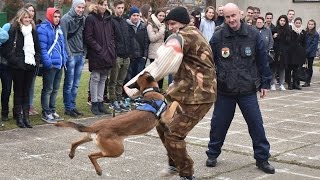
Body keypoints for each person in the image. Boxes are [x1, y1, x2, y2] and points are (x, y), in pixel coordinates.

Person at [124, 6, 217, 180]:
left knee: (174, 135)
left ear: (183, 22)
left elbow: (162, 63)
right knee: (161, 124)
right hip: (183, 90)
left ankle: (186, 174)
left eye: (173, 23)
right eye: (168, 24)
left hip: (199, 95)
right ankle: (174, 164)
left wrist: (135, 86)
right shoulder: (185, 34)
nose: (170, 27)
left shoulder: (187, 35)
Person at [206, 3, 275, 174]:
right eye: (227, 17)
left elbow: (262, 60)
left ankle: (262, 159)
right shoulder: (218, 36)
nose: (231, 20)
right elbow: (208, 61)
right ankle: (213, 154)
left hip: (247, 89)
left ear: (240, 14)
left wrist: (265, 83)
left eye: (233, 16)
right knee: (218, 125)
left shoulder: (253, 34)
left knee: (256, 124)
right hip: (225, 90)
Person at [1, 9, 41, 128]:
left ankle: (26, 117)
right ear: (20, 18)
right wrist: (18, 63)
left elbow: (38, 49)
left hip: (31, 65)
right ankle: (18, 117)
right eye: (25, 18)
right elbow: (7, 51)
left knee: (27, 92)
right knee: (18, 92)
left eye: (29, 17)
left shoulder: (33, 31)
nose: (28, 20)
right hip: (18, 67)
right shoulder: (14, 30)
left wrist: (36, 61)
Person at [84, 0, 115, 115]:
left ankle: (100, 102)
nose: (104, 6)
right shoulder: (91, 18)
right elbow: (88, 37)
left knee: (103, 78)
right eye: (102, 4)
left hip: (108, 53)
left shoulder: (108, 18)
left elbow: (111, 35)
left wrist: (110, 48)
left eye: (106, 4)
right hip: (96, 53)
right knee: (96, 77)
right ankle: (94, 103)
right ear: (97, 5)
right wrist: (99, 49)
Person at [37, 7, 67, 123]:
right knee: (48, 89)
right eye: (55, 16)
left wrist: (64, 58)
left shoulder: (58, 29)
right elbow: (43, 48)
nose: (57, 19)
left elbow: (62, 45)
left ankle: (52, 110)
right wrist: (48, 62)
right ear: (50, 16)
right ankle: (46, 112)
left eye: (59, 17)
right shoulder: (43, 29)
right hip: (50, 65)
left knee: (55, 89)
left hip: (59, 64)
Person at [60, 0, 86, 117]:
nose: (80, 9)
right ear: (74, 6)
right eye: (78, 7)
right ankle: (68, 107)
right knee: (69, 83)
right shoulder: (65, 19)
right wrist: (69, 54)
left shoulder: (83, 19)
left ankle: (73, 105)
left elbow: (84, 36)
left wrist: (84, 52)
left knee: (76, 84)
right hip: (71, 55)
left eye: (82, 7)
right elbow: (64, 38)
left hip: (81, 54)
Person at [108, 0, 131, 113]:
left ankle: (119, 98)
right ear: (114, 8)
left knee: (121, 80)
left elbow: (127, 38)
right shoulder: (111, 21)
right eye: (119, 8)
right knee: (113, 79)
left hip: (126, 55)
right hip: (116, 55)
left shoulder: (124, 22)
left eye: (122, 8)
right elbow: (111, 39)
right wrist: (114, 53)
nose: (121, 10)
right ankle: (113, 100)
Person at [125, 6, 149, 84]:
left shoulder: (143, 26)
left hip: (140, 56)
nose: (136, 17)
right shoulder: (126, 26)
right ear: (130, 16)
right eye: (134, 15)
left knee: (139, 76)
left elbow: (146, 41)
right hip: (130, 56)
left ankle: (137, 93)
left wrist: (145, 55)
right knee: (128, 77)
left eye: (137, 15)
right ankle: (126, 94)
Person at [24, 3, 39, 116]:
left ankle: (30, 105)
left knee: (31, 85)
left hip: (33, 60)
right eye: (29, 10)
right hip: (23, 61)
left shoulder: (35, 26)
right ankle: (23, 107)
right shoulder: (21, 26)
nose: (31, 13)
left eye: (33, 11)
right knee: (23, 86)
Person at [147, 8, 166, 89]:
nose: (161, 17)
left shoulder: (163, 25)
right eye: (160, 15)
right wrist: (161, 31)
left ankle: (160, 90)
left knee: (161, 74)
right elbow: (152, 38)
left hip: (162, 52)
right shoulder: (150, 25)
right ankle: (153, 89)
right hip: (154, 53)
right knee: (154, 74)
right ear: (156, 15)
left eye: (163, 16)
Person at [271, 15, 291, 91]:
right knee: (274, 68)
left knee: (282, 68)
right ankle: (272, 83)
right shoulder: (275, 29)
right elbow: (271, 39)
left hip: (283, 52)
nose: (282, 22)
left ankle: (281, 84)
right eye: (281, 20)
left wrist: (280, 37)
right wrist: (274, 36)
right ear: (279, 21)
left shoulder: (288, 30)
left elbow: (288, 41)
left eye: (284, 21)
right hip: (276, 51)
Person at [286, 17, 306, 90]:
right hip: (291, 53)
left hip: (299, 53)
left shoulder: (303, 32)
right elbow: (289, 42)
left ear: (301, 24)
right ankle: (289, 83)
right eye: (296, 23)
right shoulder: (291, 31)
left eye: (299, 23)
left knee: (296, 69)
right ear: (294, 23)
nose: (298, 24)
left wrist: (303, 52)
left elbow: (304, 43)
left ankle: (295, 83)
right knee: (289, 69)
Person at [0, 23, 11, 127]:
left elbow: (4, 36)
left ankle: (5, 113)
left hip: (4, 64)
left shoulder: (5, 28)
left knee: (7, 89)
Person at [303, 19, 319, 87]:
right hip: (304, 52)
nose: (310, 26)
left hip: (310, 54)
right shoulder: (305, 32)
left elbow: (313, 45)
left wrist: (306, 52)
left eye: (312, 24)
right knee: (303, 67)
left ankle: (308, 81)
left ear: (314, 25)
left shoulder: (315, 34)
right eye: (309, 24)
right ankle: (302, 79)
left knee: (309, 67)